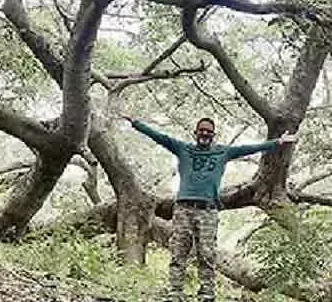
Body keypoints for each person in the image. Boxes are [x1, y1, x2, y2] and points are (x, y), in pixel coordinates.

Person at [124, 115, 297, 302]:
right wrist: (136, 123)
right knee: (178, 251)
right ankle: (175, 292)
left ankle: (207, 293)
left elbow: (250, 148)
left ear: (213, 134)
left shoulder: (223, 152)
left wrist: (278, 142)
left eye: (208, 131)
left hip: (208, 210)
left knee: (207, 252)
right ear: (195, 133)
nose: (205, 133)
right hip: (183, 208)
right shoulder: (183, 148)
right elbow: (159, 136)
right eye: (202, 130)